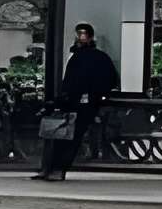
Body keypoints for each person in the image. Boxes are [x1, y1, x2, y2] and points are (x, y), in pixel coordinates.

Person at [34, 20, 119, 182]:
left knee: (68, 137)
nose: (80, 38)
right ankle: (53, 168)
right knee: (65, 136)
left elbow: (105, 80)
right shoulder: (90, 57)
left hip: (80, 102)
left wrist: (92, 96)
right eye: (79, 34)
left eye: (82, 35)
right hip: (77, 101)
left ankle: (56, 168)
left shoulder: (86, 57)